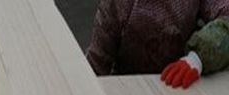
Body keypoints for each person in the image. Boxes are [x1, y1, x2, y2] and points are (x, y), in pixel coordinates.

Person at [87, 0, 229, 87]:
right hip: (129, 90)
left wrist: (198, 57)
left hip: (182, 85)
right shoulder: (118, 4)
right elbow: (96, 63)